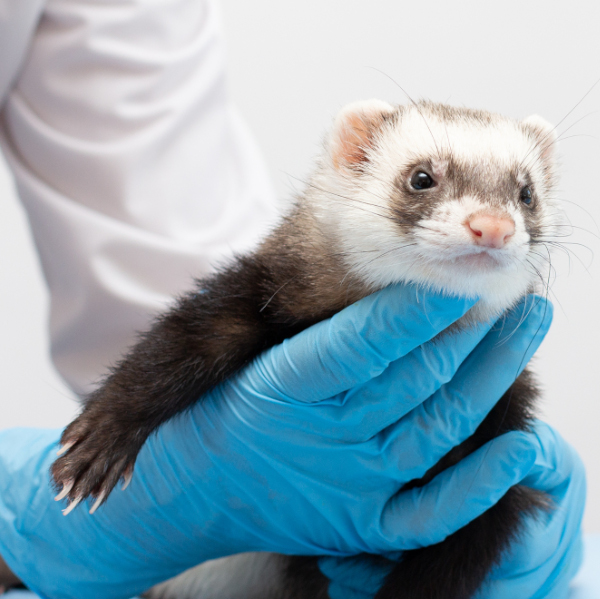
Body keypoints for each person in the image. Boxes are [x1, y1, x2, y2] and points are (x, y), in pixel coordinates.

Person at [0, 1, 585, 598]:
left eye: (522, 194)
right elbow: (188, 340)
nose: (493, 222)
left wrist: (487, 541)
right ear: (352, 160)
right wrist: (124, 441)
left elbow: (147, 254)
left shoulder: (492, 371)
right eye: (423, 181)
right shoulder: (280, 291)